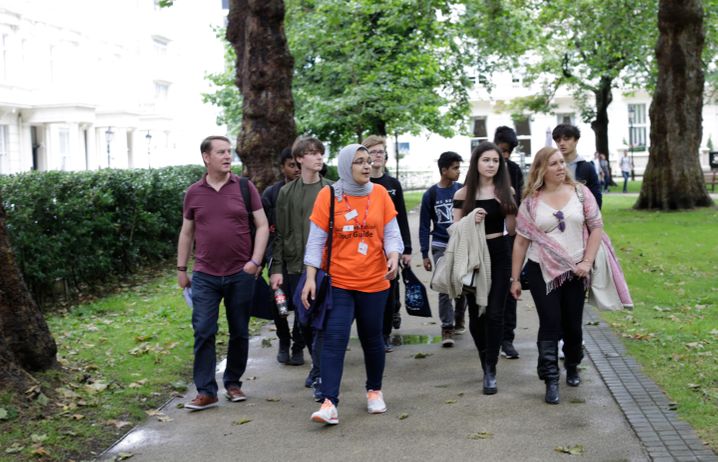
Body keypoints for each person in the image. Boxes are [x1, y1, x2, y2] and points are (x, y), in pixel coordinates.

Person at [301, 144, 403, 425]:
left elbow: (392, 234)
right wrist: (310, 278)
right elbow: (316, 241)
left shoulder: (380, 194)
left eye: (369, 161)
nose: (367, 166)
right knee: (334, 340)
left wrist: (393, 255)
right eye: (359, 161)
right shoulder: (328, 196)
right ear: (347, 165)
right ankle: (329, 402)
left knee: (373, 340)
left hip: (375, 281)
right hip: (340, 283)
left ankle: (374, 391)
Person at [177, 135, 269, 410]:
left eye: (229, 152)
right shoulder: (194, 192)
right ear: (206, 157)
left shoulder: (244, 187)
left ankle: (233, 383)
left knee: (239, 330)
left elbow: (262, 225)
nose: (228, 156)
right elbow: (187, 231)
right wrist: (182, 269)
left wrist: (255, 261)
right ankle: (206, 391)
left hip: (240, 273)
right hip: (205, 274)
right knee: (203, 329)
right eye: (221, 152)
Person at [509, 147, 603, 405]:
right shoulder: (531, 203)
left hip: (575, 269)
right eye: (554, 164)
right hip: (542, 270)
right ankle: (551, 378)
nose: (561, 167)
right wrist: (515, 279)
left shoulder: (581, 194)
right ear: (541, 170)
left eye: (562, 162)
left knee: (572, 324)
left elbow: (596, 228)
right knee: (550, 322)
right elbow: (520, 242)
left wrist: (587, 261)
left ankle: (572, 364)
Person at [269, 136, 333, 400]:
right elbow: (281, 234)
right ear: (299, 159)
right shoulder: (286, 193)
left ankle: (319, 370)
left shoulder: (332, 189)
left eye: (320, 152)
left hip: (326, 268)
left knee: (322, 323)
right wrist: (277, 268)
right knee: (303, 321)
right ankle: (314, 362)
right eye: (311, 153)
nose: (318, 157)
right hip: (296, 266)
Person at [452, 141, 517, 395]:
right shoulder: (462, 194)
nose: (491, 165)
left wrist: (508, 206)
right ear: (476, 163)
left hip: (499, 253)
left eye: (495, 161)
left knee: (495, 313)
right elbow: (453, 230)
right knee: (477, 315)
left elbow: (512, 230)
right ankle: (485, 359)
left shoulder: (506, 189)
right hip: (472, 257)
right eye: (486, 160)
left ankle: (491, 368)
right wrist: (471, 220)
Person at [363, 135, 412, 352]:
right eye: (372, 152)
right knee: (370, 294)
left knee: (390, 293)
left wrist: (407, 249)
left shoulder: (393, 185)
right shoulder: (361, 184)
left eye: (380, 152)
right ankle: (373, 333)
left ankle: (384, 335)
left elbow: (401, 218)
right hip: (366, 249)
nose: (377, 156)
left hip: (390, 249)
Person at [420, 151, 466, 346]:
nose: (458, 171)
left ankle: (459, 318)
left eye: (459, 167)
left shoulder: (462, 190)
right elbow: (423, 225)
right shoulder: (431, 194)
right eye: (455, 168)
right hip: (440, 245)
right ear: (444, 170)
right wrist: (424, 253)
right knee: (444, 285)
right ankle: (447, 328)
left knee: (462, 285)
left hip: (461, 245)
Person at [261, 147, 303, 366]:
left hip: (304, 260)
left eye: (298, 164)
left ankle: (298, 344)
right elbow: (262, 228)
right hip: (278, 260)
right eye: (291, 165)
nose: (296, 169)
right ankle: (284, 339)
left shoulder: (313, 192)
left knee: (304, 302)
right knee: (280, 303)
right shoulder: (272, 194)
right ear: (283, 167)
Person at [494, 126, 524, 359]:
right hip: (488, 237)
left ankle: (507, 338)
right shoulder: (483, 167)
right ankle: (490, 337)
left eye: (508, 152)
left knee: (511, 285)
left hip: (510, 237)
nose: (505, 156)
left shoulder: (514, 170)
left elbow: (521, 201)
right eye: (502, 150)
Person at [552, 124, 602, 209]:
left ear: (576, 140)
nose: (561, 143)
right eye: (558, 140)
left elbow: (596, 199)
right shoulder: (549, 167)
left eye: (566, 139)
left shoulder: (587, 168)